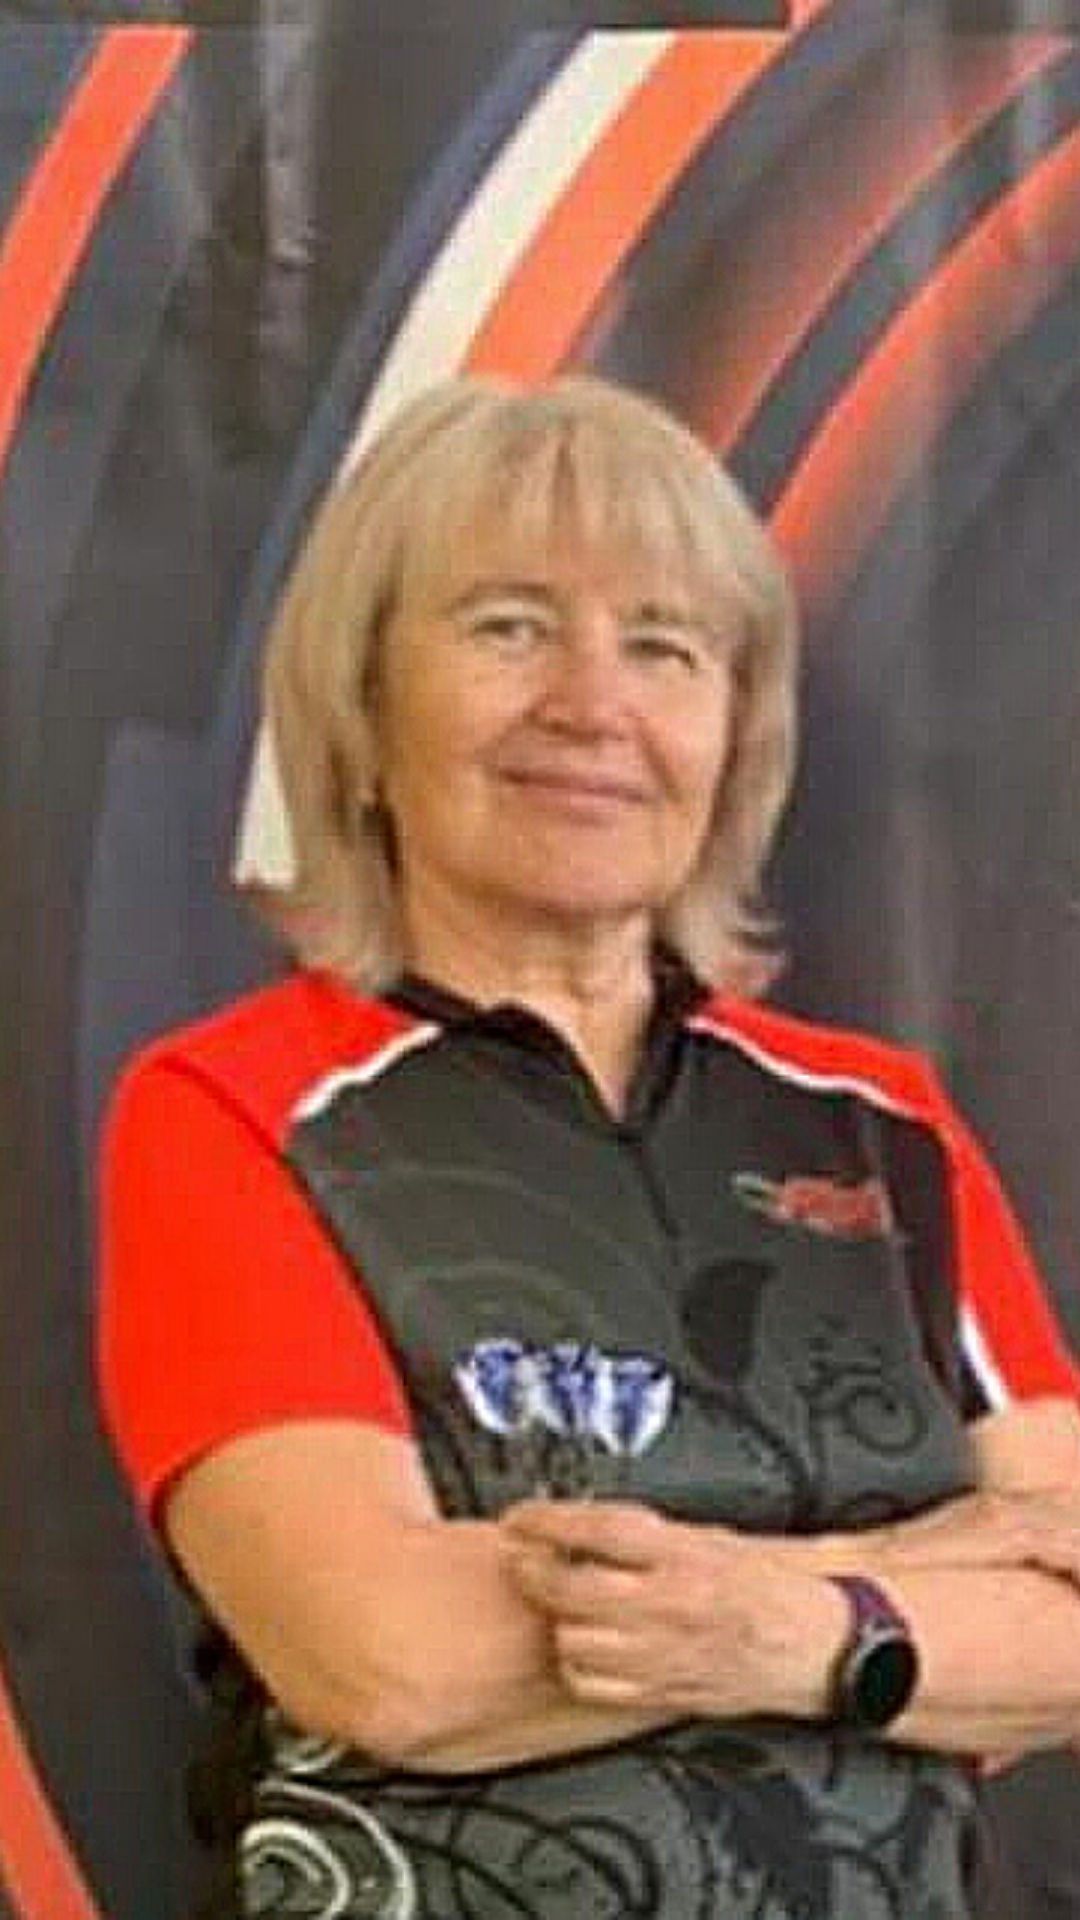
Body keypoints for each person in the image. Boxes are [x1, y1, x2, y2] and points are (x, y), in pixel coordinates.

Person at [98, 375, 1080, 1920]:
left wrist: (773, 1623)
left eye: (664, 647)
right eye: (508, 627)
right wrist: (911, 1584)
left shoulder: (881, 1124)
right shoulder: (236, 1105)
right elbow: (388, 1657)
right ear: (362, 707)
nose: (592, 705)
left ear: (734, 738)